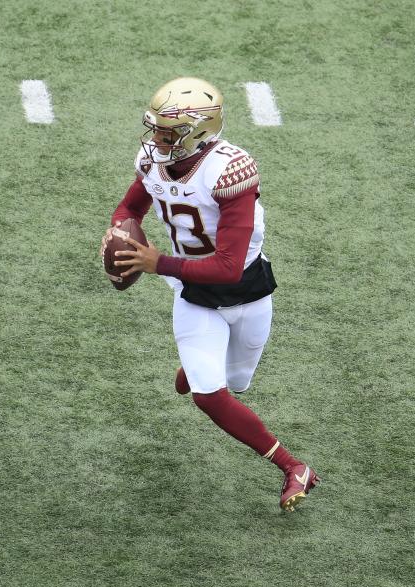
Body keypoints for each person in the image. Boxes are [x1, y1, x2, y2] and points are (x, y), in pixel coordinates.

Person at [102, 77, 318, 511]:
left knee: (238, 382)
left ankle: (200, 362)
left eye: (169, 131)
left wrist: (156, 262)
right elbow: (130, 208)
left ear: (199, 130)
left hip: (246, 292)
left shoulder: (229, 171)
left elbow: (228, 266)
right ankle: (294, 467)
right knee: (209, 395)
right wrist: (121, 232)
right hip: (193, 294)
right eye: (157, 128)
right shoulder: (152, 160)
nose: (158, 139)